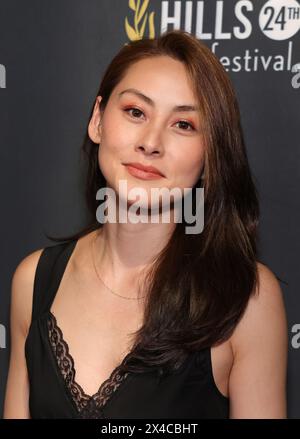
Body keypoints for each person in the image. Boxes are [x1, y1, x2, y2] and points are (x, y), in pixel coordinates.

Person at [3, 29, 288, 419]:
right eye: (136, 112)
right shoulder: (32, 280)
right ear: (98, 120)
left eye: (183, 124)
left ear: (211, 155)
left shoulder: (247, 300)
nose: (151, 142)